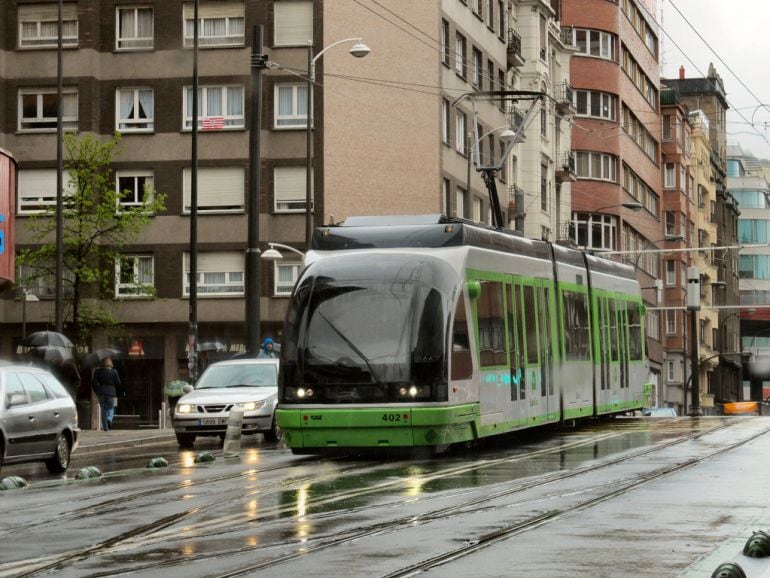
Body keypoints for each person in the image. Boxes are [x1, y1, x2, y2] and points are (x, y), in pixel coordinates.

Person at [92, 357, 122, 431]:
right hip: (111, 392)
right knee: (111, 407)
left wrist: (97, 390)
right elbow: (118, 382)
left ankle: (105, 427)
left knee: (103, 409)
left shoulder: (97, 371)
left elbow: (94, 382)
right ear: (110, 363)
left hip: (101, 391)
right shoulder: (114, 371)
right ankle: (109, 419)